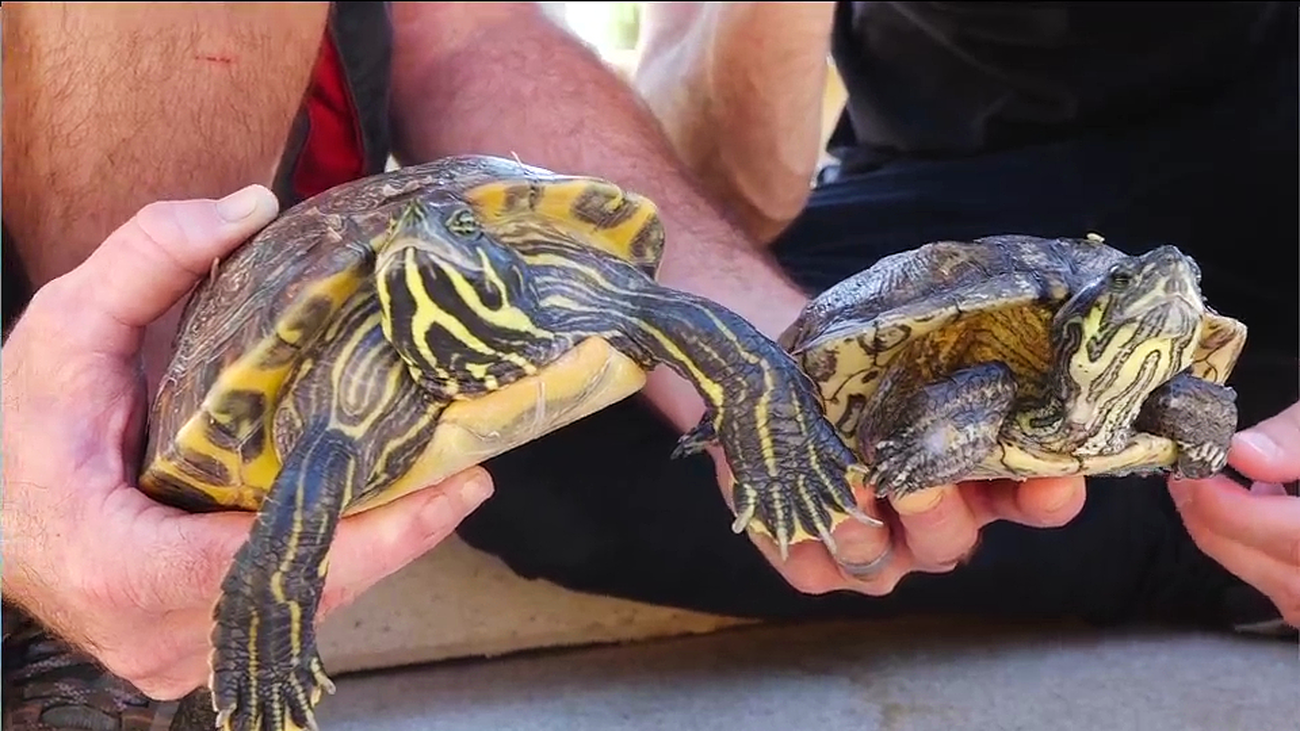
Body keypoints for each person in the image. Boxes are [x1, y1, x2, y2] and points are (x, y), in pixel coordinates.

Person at [2, 3, 1081, 728]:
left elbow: (463, 31)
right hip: (78, 380)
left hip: (390, 346)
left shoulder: (534, 288)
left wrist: (791, 373)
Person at [606, 0, 1298, 632]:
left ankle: (1218, 543)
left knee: (1231, 427)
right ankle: (1216, 549)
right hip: (932, 205)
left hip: (1258, 178)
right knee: (579, 413)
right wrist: (773, 392)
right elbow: (705, 194)